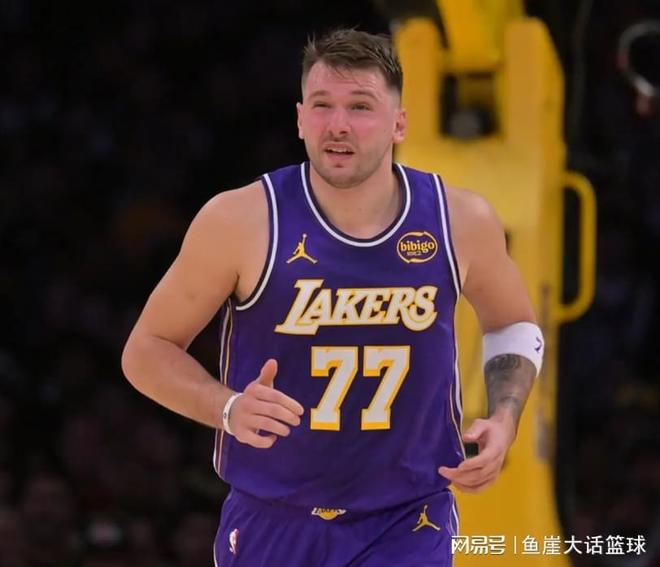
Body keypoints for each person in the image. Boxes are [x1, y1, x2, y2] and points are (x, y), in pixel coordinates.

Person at [122, 28, 543, 567]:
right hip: (274, 517)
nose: (338, 124)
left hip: (407, 519)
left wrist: (505, 417)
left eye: (360, 106)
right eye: (322, 105)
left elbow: (513, 326)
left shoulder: (459, 219)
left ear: (399, 123)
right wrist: (226, 407)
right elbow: (146, 350)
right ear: (300, 119)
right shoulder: (240, 219)